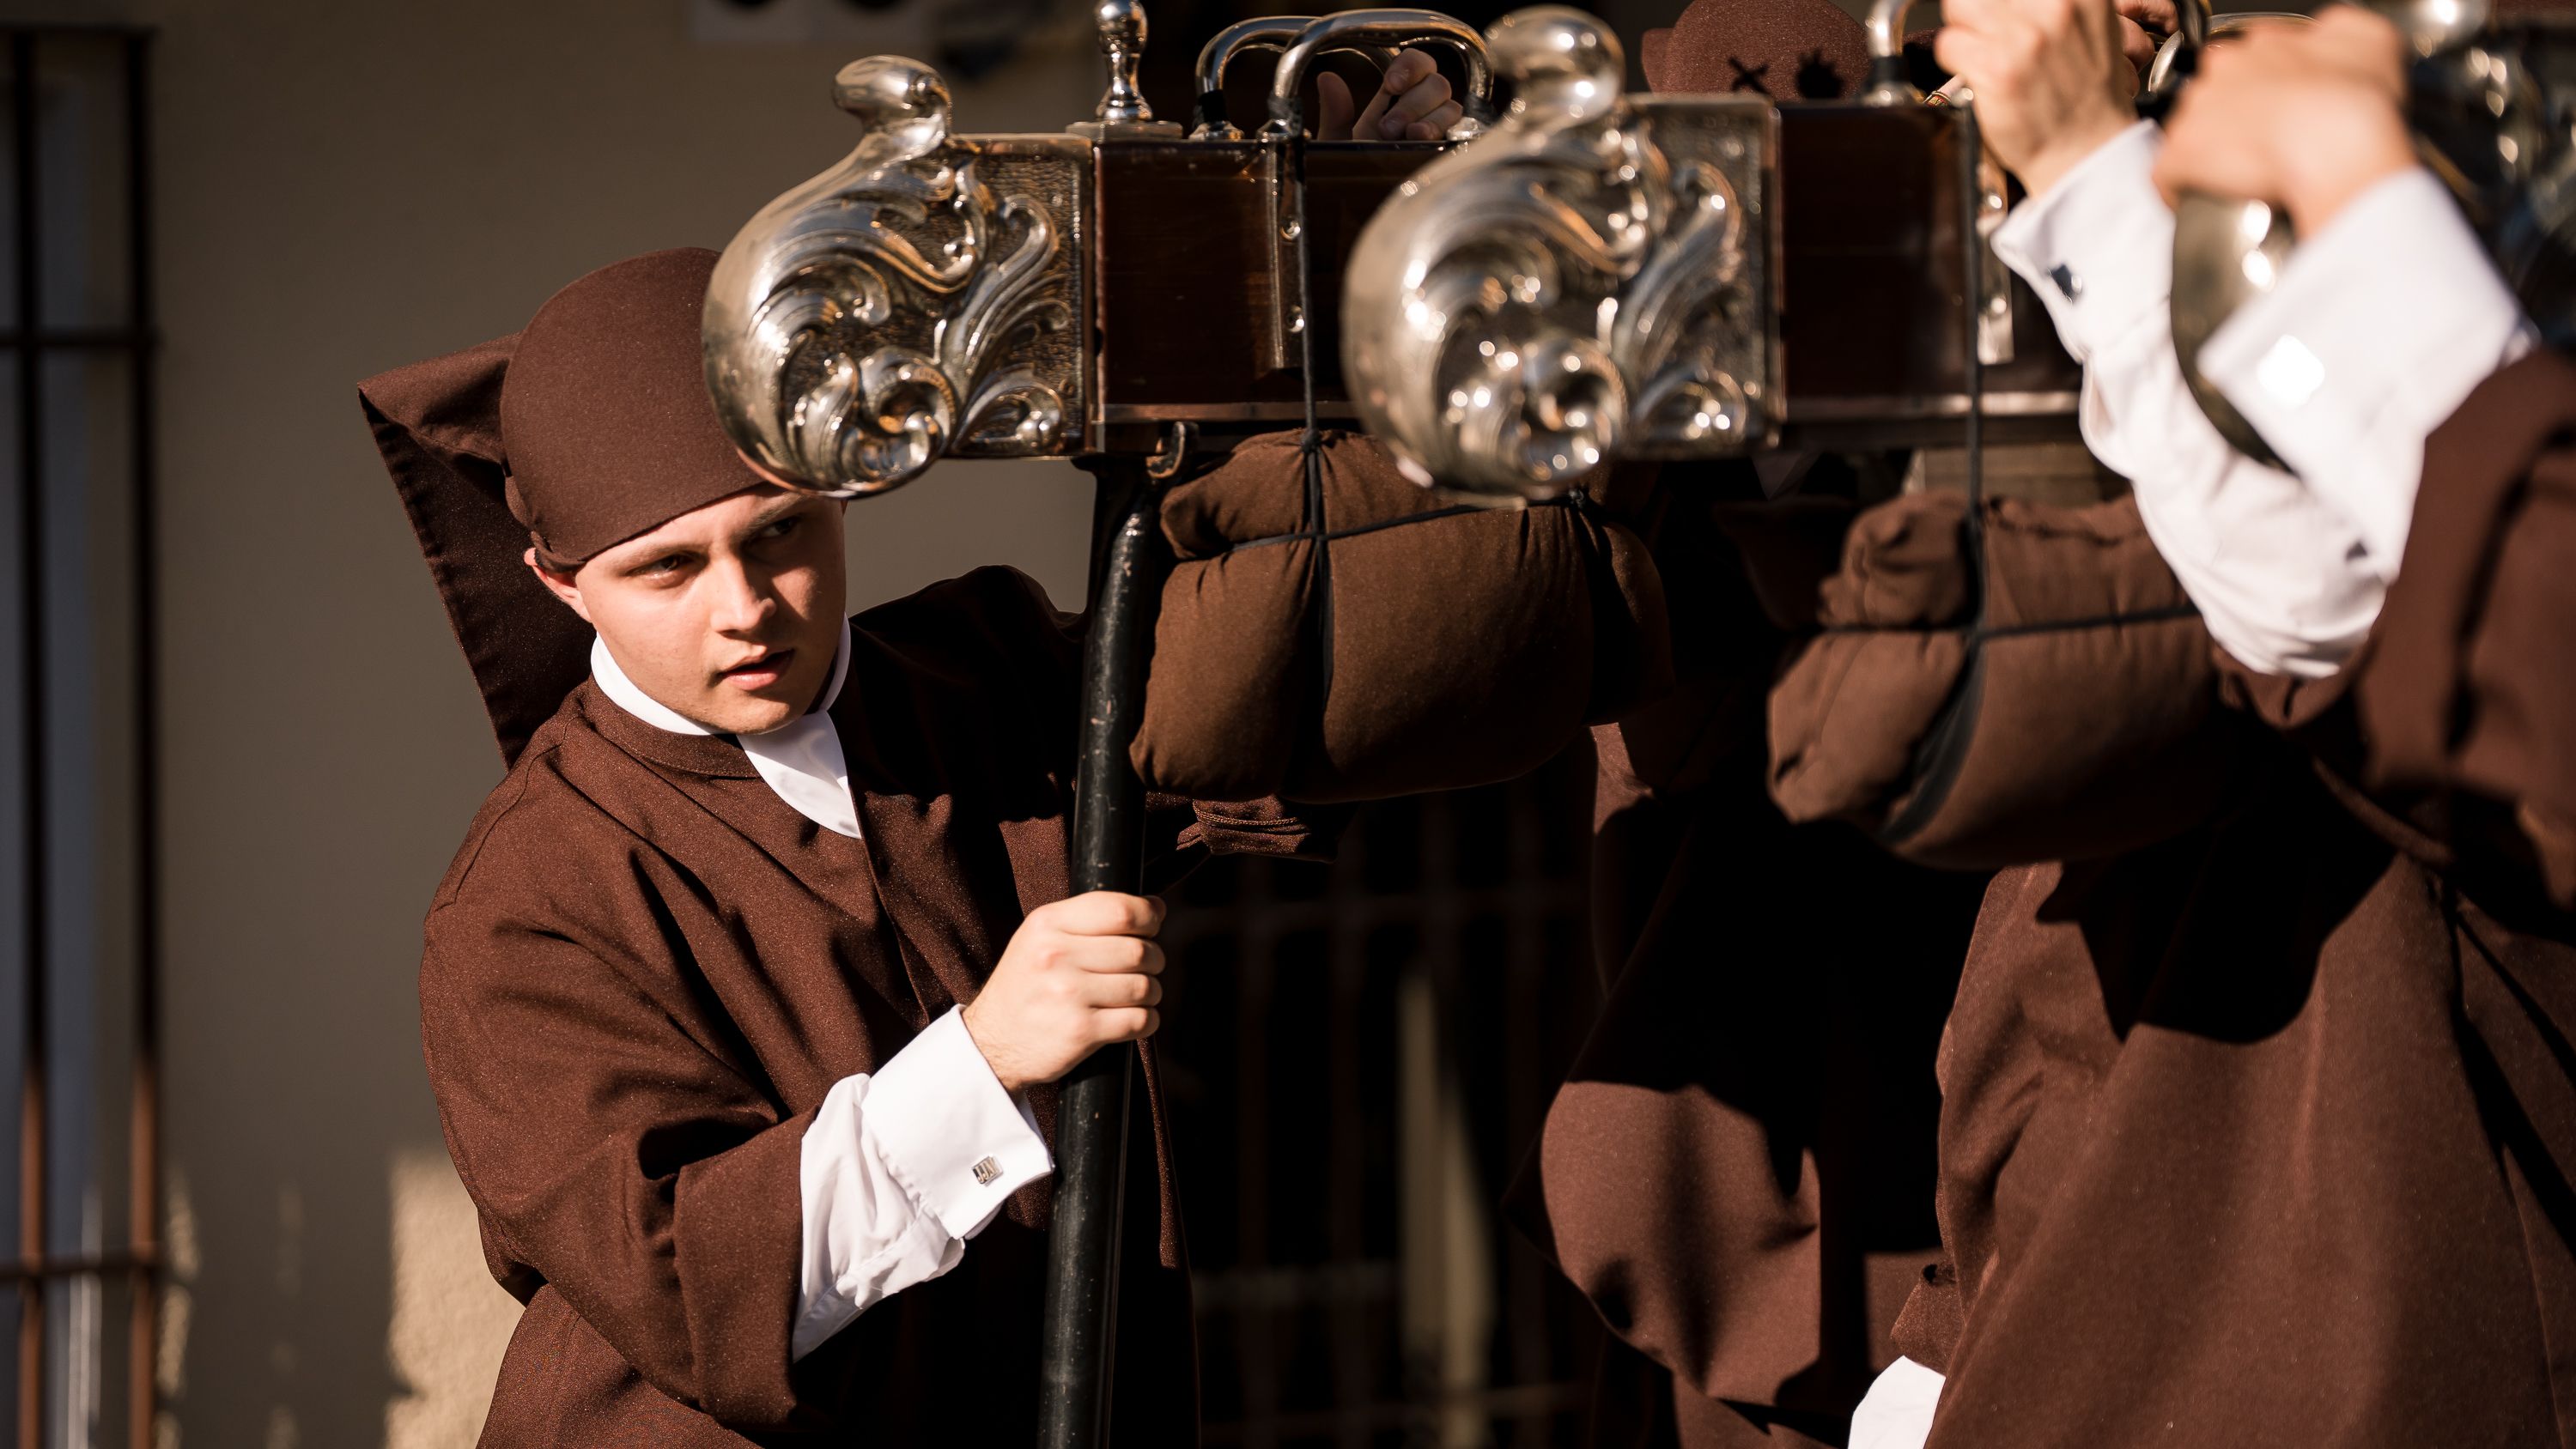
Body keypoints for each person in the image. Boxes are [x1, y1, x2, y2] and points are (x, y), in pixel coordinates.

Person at [1789, 3, 2576, 1446]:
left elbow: (2330, 612)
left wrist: (2098, 172)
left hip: (2364, 1259)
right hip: (2083, 1220)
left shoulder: (2499, 90)